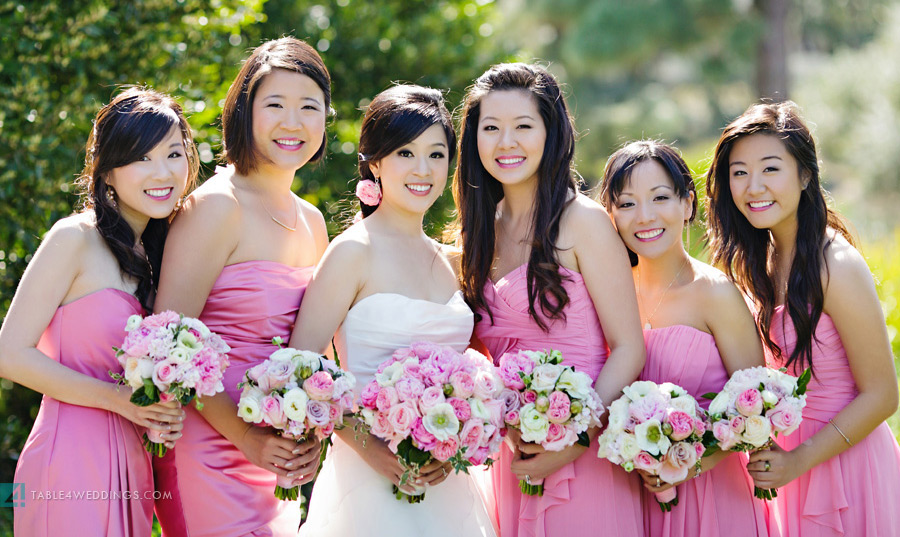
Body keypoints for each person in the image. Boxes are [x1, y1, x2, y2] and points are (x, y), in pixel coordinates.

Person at [291, 84, 495, 537]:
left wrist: (461, 430)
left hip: (450, 483)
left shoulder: (455, 261)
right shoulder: (352, 253)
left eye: (436, 155)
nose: (423, 169)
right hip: (367, 478)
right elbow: (302, 366)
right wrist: (370, 448)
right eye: (406, 153)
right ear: (376, 162)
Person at [453, 62, 646, 537]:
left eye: (523, 126)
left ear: (551, 132)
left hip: (585, 456)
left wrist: (576, 439)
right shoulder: (477, 232)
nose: (506, 142)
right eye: (491, 128)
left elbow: (629, 348)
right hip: (511, 458)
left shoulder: (582, 221)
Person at [151, 37, 330, 537]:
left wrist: (309, 426)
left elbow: (312, 351)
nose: (292, 122)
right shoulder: (216, 207)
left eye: (308, 107)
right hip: (206, 445)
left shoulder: (313, 222)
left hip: (276, 455)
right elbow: (167, 345)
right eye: (274, 105)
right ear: (244, 112)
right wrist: (247, 439)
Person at [0, 87, 193, 537]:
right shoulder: (74, 239)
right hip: (71, 455)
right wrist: (118, 400)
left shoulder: (164, 255)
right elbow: (9, 353)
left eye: (173, 154)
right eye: (141, 158)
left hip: (133, 458)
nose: (161, 172)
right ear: (107, 171)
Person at [706, 101, 900, 537]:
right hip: (787, 464)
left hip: (845, 464)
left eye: (770, 169)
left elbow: (884, 395)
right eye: (739, 172)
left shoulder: (837, 264)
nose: (753, 186)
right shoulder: (760, 260)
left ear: (805, 175)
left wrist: (800, 459)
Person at [600, 140, 770, 537]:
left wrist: (685, 463)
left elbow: (756, 409)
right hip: (629, 496)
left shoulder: (716, 293)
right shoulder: (609, 293)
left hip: (711, 497)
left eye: (660, 198)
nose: (645, 216)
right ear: (611, 215)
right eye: (626, 204)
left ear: (687, 204)